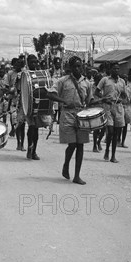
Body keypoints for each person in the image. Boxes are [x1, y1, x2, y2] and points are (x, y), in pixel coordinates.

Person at [47, 56, 95, 185]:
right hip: (67, 114)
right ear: (70, 68)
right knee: (72, 144)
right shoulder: (63, 81)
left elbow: (90, 99)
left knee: (80, 145)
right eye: (75, 66)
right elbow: (50, 94)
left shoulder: (87, 83)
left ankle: (77, 176)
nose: (78, 68)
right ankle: (66, 164)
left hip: (82, 115)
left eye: (80, 66)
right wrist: (63, 101)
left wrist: (95, 105)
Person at [96, 62, 128, 163]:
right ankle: (107, 150)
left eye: (118, 69)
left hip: (118, 107)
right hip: (108, 107)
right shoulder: (105, 80)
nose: (116, 71)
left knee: (117, 132)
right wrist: (104, 98)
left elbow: (125, 96)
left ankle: (113, 155)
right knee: (110, 131)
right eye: (114, 69)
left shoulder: (122, 81)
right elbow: (96, 92)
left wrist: (123, 95)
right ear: (110, 70)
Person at [120, 71, 131, 148]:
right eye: (123, 78)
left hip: (128, 106)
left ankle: (123, 141)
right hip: (121, 105)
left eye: (126, 78)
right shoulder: (119, 86)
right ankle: (118, 140)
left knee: (126, 125)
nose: (125, 79)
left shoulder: (130, 87)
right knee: (120, 125)